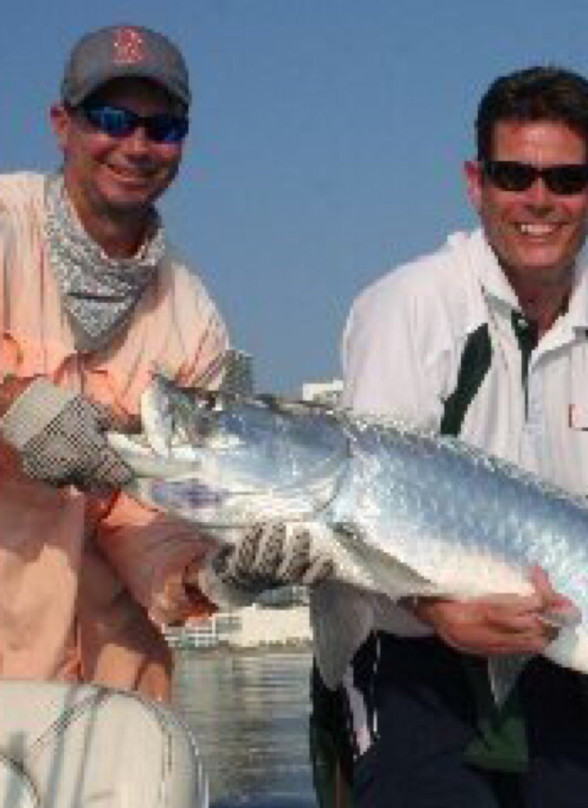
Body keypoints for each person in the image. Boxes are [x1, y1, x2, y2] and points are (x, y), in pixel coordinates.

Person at [312, 65, 588, 807]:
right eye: (512, 174)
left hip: (564, 655)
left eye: (564, 179)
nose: (538, 200)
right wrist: (444, 614)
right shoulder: (407, 306)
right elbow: (357, 515)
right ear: (475, 182)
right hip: (409, 656)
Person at [0, 23, 331, 704]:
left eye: (163, 127)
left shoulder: (196, 321)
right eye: (111, 118)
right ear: (61, 125)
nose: (137, 145)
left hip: (110, 696)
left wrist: (210, 577)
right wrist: (14, 399)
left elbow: (158, 517)